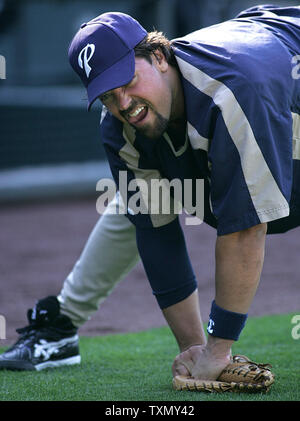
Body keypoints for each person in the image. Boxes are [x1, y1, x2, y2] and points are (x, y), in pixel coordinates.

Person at [1, 5, 299, 379]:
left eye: (127, 80)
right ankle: (61, 323)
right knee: (141, 197)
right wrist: (193, 351)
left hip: (276, 67)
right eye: (108, 94)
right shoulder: (121, 123)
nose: (123, 103)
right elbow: (154, 228)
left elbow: (245, 229)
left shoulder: (233, 90)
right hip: (258, 77)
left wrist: (219, 349)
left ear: (159, 56)